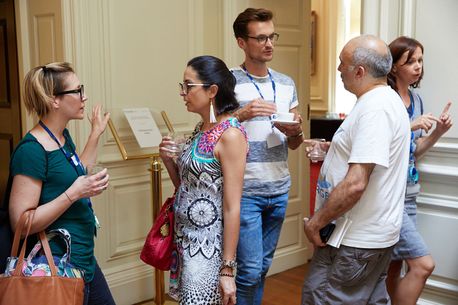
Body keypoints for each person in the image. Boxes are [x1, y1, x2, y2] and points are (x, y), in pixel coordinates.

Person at [301, 35, 411, 304]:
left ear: (360, 72)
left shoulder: (375, 108)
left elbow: (356, 183)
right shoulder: (387, 100)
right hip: (373, 237)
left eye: (342, 63)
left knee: (322, 296)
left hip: (354, 240)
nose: (338, 69)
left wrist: (317, 222)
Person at [7, 62, 115, 305]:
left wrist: (95, 134)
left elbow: (77, 173)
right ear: (54, 100)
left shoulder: (61, 137)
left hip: (83, 258)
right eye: (77, 91)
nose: (84, 96)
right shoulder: (32, 150)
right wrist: (73, 194)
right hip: (55, 265)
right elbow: (22, 222)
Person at [159, 55, 248, 305]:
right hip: (185, 241)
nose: (183, 92)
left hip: (208, 249)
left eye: (188, 86)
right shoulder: (201, 129)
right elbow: (185, 189)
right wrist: (168, 161)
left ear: (212, 90)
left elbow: (232, 207)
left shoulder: (230, 135)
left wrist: (227, 270)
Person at [230, 8, 304, 305]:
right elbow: (213, 131)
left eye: (271, 36)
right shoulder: (228, 81)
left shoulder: (286, 83)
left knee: (261, 269)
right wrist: (242, 113)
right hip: (246, 191)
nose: (269, 43)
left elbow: (296, 143)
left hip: (279, 188)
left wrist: (295, 131)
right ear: (241, 42)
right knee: (248, 272)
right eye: (260, 38)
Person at [385, 36, 453, 305]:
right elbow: (378, 144)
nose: (417, 66)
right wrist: (410, 126)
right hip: (390, 198)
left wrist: (437, 132)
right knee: (423, 265)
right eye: (410, 61)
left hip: (410, 196)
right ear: (393, 67)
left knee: (394, 267)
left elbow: (414, 151)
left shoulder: (416, 99)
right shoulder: (385, 99)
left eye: (420, 60)